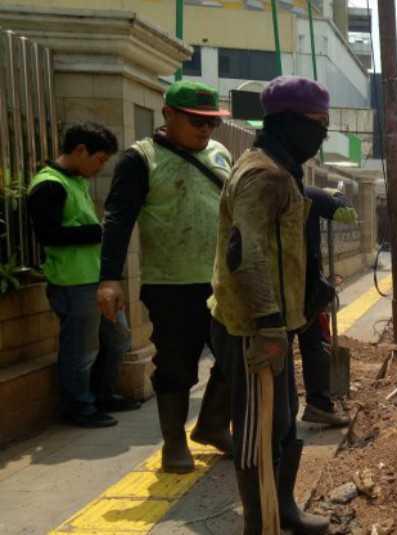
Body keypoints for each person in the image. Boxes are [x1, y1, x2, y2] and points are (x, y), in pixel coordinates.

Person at [209, 75, 331, 534]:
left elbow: (282, 248)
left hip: (277, 325)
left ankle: (282, 510)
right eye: (317, 123)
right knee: (258, 433)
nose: (322, 133)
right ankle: (260, 524)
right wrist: (270, 324)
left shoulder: (282, 169)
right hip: (255, 331)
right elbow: (249, 254)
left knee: (281, 425)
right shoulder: (264, 174)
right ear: (288, 122)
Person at [98, 80, 233, 472]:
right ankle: (174, 441)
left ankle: (211, 424)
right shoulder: (140, 160)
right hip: (172, 284)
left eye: (212, 123)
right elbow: (118, 220)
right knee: (176, 366)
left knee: (234, 356)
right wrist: (109, 279)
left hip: (222, 282)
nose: (205, 130)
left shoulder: (221, 154)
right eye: (196, 121)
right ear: (168, 114)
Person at [27, 122, 141, 428]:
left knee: (118, 339)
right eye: (99, 159)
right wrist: (95, 232)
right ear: (80, 150)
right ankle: (79, 405)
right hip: (72, 282)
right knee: (81, 349)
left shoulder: (74, 180)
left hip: (96, 281)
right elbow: (48, 235)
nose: (100, 167)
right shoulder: (49, 185)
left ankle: (103, 394)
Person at [298, 185, 357, 427]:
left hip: (266, 281)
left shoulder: (255, 188)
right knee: (314, 342)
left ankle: (279, 411)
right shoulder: (309, 193)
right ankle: (319, 404)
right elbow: (348, 215)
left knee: (275, 347)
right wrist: (337, 196)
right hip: (304, 283)